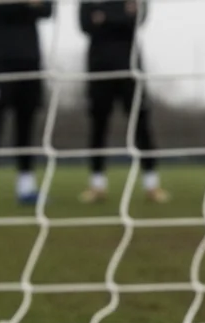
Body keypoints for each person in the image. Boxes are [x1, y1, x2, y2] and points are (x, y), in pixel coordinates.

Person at [78, 0, 169, 204]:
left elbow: (138, 20)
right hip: (99, 69)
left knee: (141, 125)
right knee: (98, 127)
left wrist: (104, 17)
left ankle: (151, 184)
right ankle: (97, 184)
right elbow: (85, 24)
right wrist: (121, 14)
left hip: (131, 69)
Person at [0, 0, 53, 209]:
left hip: (30, 61)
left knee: (26, 125)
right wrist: (27, 5)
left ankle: (26, 188)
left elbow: (47, 9)